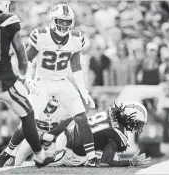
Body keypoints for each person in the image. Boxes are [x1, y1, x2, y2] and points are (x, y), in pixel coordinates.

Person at [0, 1, 63, 173]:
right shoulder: (6, 20)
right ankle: (40, 155)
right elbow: (19, 49)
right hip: (4, 80)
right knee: (28, 114)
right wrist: (24, 74)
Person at [24, 3, 98, 166]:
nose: (64, 25)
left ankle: (91, 157)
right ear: (53, 20)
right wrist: (29, 79)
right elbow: (27, 59)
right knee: (28, 120)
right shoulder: (41, 35)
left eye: (67, 21)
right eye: (60, 21)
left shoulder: (77, 38)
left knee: (81, 116)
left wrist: (83, 89)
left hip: (62, 81)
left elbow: (76, 65)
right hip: (42, 82)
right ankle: (16, 152)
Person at [41, 101, 151, 167]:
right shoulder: (119, 135)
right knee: (113, 159)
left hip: (66, 134)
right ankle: (54, 155)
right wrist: (130, 162)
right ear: (129, 119)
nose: (138, 127)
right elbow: (106, 162)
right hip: (73, 154)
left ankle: (48, 137)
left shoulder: (110, 111)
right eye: (137, 123)